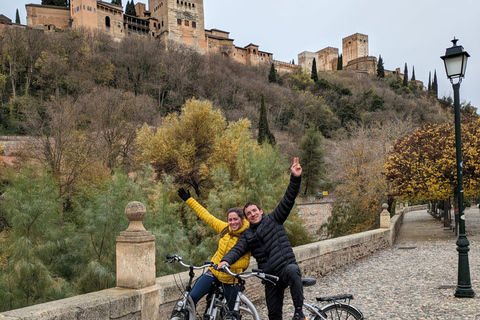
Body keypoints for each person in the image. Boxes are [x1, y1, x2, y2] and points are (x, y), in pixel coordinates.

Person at [217, 157, 305, 320]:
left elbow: (288, 198)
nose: (252, 214)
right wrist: (226, 261)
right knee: (273, 315)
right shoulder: (248, 235)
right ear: (247, 218)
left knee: (293, 270)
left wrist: (295, 177)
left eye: (254, 211)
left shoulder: (275, 219)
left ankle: (299, 311)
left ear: (261, 211)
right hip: (269, 277)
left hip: (285, 267)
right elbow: (237, 250)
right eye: (248, 213)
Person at [177, 188, 251, 312]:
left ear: (242, 219)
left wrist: (226, 265)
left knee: (233, 313)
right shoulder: (225, 229)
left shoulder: (248, 236)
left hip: (230, 278)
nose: (232, 222)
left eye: (235, 219)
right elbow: (207, 216)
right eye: (230, 220)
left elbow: (245, 263)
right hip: (214, 272)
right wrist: (189, 200)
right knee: (191, 298)